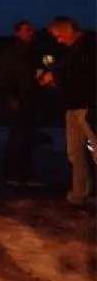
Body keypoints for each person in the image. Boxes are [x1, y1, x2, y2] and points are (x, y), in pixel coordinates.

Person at [43, 16, 96, 206]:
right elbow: (71, 74)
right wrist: (57, 78)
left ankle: (84, 192)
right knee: (75, 153)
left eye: (59, 36)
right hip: (73, 106)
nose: (59, 40)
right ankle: (80, 193)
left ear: (69, 30)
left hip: (88, 107)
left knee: (94, 150)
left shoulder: (89, 47)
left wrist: (58, 76)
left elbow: (84, 76)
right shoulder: (72, 51)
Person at [0, 22, 42, 185]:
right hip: (18, 99)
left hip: (31, 99)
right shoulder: (11, 53)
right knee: (17, 137)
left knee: (28, 137)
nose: (31, 32)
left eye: (31, 29)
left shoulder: (34, 52)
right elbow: (5, 77)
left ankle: (26, 172)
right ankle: (12, 172)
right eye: (27, 30)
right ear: (18, 32)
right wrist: (11, 98)